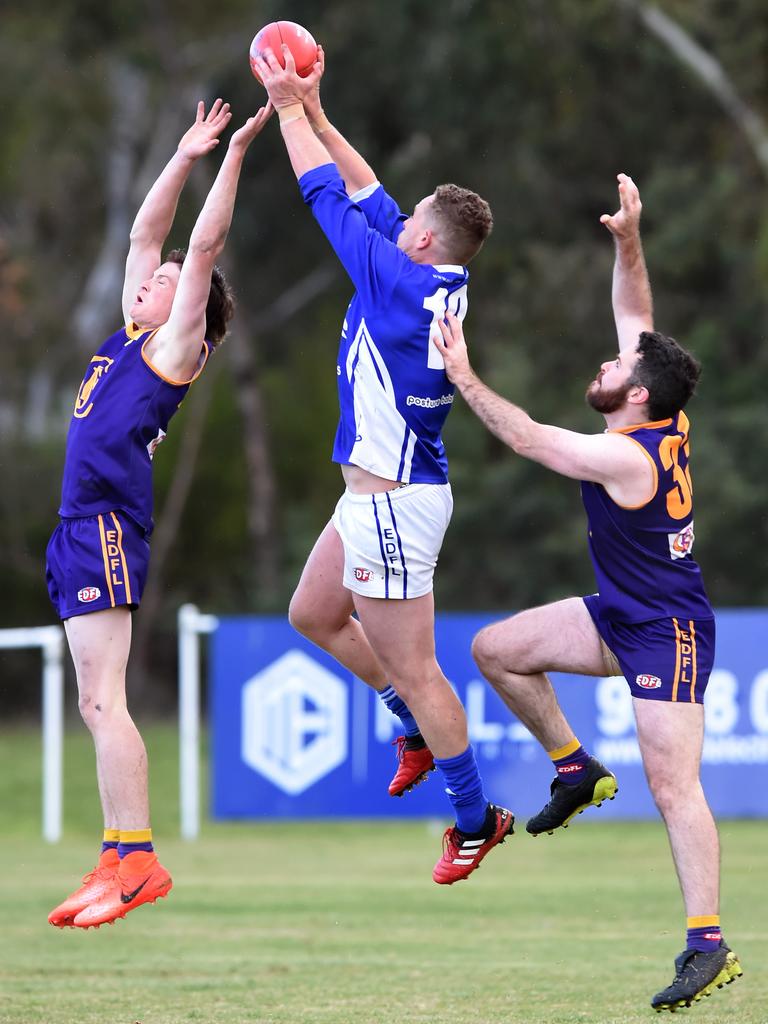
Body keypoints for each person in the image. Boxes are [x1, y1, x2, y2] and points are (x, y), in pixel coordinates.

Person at [434, 173, 743, 1008]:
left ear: (634, 394)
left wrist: (462, 373)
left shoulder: (625, 453)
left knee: (676, 787)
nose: (605, 362)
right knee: (495, 650)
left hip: (668, 630)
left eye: (616, 365)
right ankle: (576, 769)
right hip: (622, 615)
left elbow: (530, 437)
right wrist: (627, 237)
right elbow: (636, 314)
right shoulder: (660, 414)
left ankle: (708, 945)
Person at [250, 43, 512, 883]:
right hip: (380, 494)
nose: (393, 223)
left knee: (417, 664)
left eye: (407, 223)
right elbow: (366, 190)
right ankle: (408, 726)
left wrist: (288, 107)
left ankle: (475, 819)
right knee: (313, 614)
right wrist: (324, 113)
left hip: (393, 503)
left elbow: (325, 192)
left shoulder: (399, 285)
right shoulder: (434, 275)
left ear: (426, 238)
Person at [46, 98, 273, 929]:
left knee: (106, 701)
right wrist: (182, 157)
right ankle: (116, 857)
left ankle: (137, 859)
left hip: (105, 526)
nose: (151, 279)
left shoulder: (173, 350)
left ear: (193, 317)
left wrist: (238, 154)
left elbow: (200, 247)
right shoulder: (123, 334)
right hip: (78, 529)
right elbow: (151, 236)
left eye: (170, 285)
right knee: (92, 703)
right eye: (153, 281)